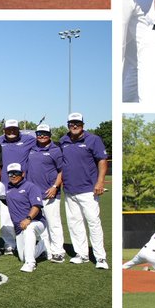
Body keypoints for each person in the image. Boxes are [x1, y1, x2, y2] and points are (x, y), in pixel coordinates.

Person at [59, 113, 108, 269]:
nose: (74, 126)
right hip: (69, 190)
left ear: (83, 125)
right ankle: (81, 254)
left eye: (77, 123)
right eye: (72, 123)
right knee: (74, 224)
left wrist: (100, 181)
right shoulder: (63, 141)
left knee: (93, 222)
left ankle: (100, 257)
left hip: (88, 189)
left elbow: (102, 160)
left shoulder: (93, 139)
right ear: (68, 124)